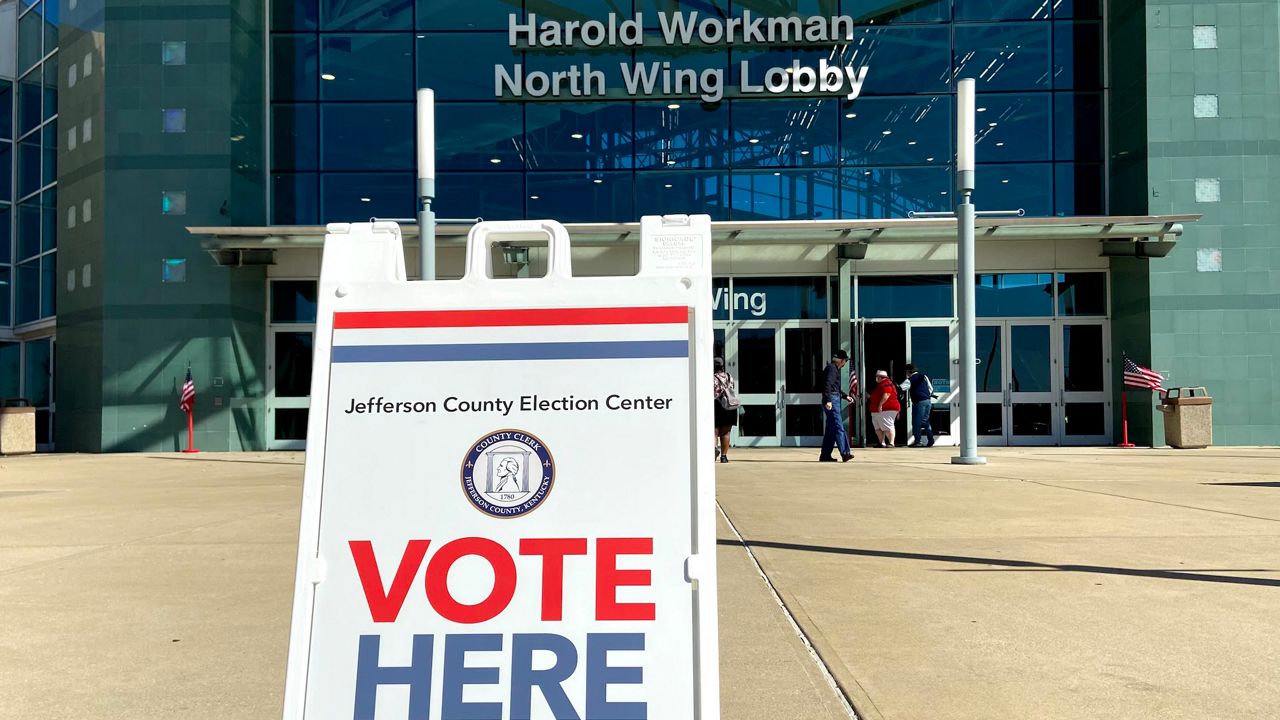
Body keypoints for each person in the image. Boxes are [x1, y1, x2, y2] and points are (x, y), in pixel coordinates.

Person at [819, 350, 854, 463]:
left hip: (834, 397)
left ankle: (825, 455)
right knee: (839, 427)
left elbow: (834, 387)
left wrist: (845, 396)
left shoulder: (832, 368)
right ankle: (845, 453)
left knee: (831, 429)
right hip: (832, 400)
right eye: (845, 361)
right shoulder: (832, 369)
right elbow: (827, 385)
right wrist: (828, 400)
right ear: (841, 360)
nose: (845, 363)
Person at [903, 362, 936, 448]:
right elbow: (931, 389)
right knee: (925, 421)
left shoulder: (910, 379)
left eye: (906, 371)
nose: (906, 373)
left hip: (919, 402)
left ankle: (918, 442)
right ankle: (931, 439)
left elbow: (902, 387)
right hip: (928, 401)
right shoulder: (924, 377)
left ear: (909, 371)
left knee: (916, 422)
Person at [712, 357, 738, 464]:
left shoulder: (711, 378)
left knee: (714, 431)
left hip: (716, 405)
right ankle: (724, 456)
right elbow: (732, 387)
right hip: (729, 406)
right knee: (726, 433)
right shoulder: (729, 376)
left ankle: (713, 450)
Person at [868, 369, 901, 448]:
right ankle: (882, 443)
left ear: (880, 377)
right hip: (877, 410)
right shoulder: (881, 385)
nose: (876, 378)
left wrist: (880, 405)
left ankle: (891, 443)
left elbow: (887, 393)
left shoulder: (886, 383)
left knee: (888, 426)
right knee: (878, 427)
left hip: (887, 409)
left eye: (877, 376)